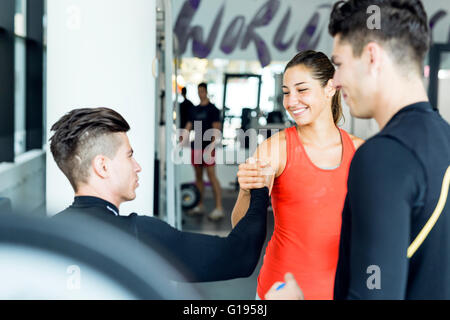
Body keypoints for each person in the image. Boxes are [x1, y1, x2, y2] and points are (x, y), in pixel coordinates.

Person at [265, 0, 450, 300]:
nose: (336, 80)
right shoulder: (444, 138)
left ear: (371, 56)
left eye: (338, 64)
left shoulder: (382, 157)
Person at [50, 107, 269, 283]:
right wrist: (260, 189)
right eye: (129, 156)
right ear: (103, 166)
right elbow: (239, 256)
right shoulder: (138, 235)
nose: (137, 167)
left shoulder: (45, 237)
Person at [231, 50, 365, 300]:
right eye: (286, 92)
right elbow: (241, 229)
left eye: (302, 90)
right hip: (280, 289)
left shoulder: (360, 151)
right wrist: (246, 189)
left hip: (342, 290)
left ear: (330, 88)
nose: (291, 101)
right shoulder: (276, 149)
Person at [183, 82, 224, 220]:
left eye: (202, 91)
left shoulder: (213, 109)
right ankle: (199, 205)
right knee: (198, 178)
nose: (200, 94)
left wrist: (211, 147)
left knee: (212, 177)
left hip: (208, 147)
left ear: (206, 92)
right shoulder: (194, 110)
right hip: (197, 147)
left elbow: (216, 129)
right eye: (198, 91)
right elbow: (188, 127)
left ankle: (219, 208)